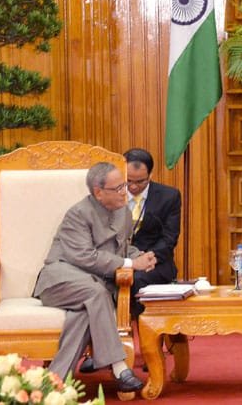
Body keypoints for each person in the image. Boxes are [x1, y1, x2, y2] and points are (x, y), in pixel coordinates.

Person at [33, 162, 157, 393]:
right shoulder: (78, 214)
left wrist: (140, 257)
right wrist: (131, 264)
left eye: (125, 185)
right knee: (96, 293)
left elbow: (120, 250)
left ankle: (53, 384)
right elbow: (84, 257)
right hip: (59, 280)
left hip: (91, 286)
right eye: (118, 188)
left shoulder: (123, 213)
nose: (125, 191)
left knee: (84, 312)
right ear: (98, 192)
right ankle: (119, 367)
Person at [123, 147, 182, 315]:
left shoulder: (168, 196)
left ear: (150, 176)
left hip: (155, 261)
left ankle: (142, 331)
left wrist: (149, 258)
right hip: (119, 260)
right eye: (128, 181)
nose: (133, 186)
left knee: (138, 279)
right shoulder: (112, 193)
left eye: (140, 181)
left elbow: (169, 237)